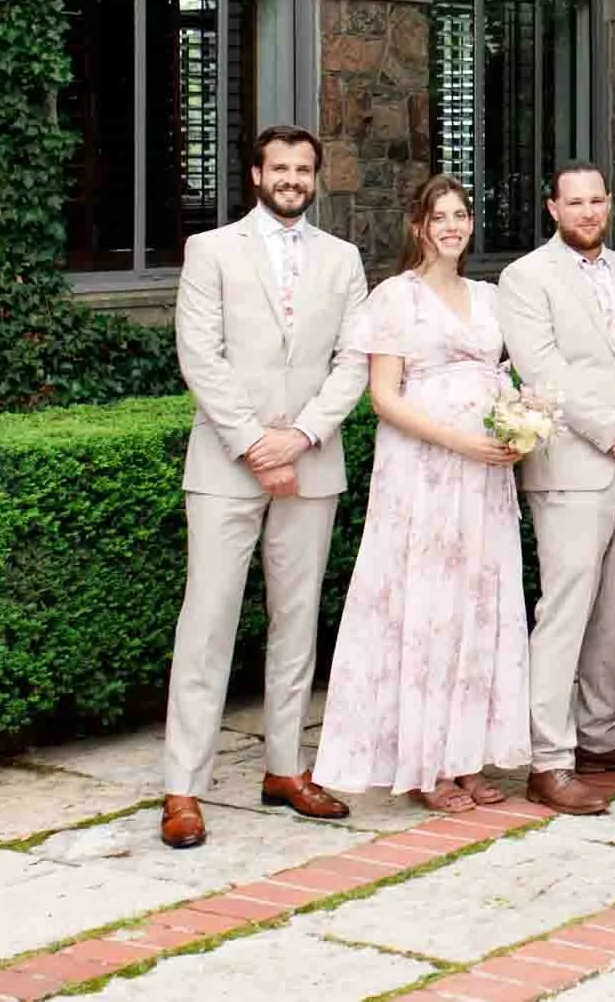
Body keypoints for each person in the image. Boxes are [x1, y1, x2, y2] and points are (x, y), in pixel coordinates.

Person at [158, 125, 369, 850]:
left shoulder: (343, 260)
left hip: (310, 463)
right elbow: (200, 355)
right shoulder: (210, 250)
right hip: (225, 466)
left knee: (297, 620)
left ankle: (285, 767)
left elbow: (354, 362)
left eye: (303, 168)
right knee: (208, 621)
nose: (291, 178)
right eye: (279, 167)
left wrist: (301, 436)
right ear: (255, 173)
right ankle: (183, 786)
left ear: (315, 176)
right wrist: (254, 441)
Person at [315, 175, 528, 812]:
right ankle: (424, 765)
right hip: (423, 477)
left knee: (475, 608)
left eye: (461, 214)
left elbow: (502, 378)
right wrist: (457, 441)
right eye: (440, 216)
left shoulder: (489, 299)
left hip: (484, 481)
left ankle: (465, 758)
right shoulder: (396, 298)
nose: (452, 226)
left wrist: (519, 424)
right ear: (419, 225)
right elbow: (384, 398)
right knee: (428, 606)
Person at [496, 163, 615, 816]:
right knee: (565, 607)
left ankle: (600, 732)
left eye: (597, 200)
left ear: (610, 203)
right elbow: (543, 371)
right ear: (552, 206)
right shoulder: (525, 277)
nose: (588, 211)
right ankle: (549, 757)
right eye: (575, 201)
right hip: (570, 464)